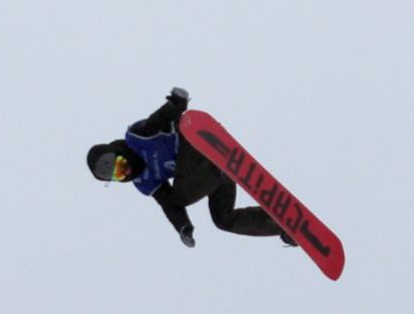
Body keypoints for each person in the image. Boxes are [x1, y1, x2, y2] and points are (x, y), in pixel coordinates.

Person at [86, 88, 293, 248]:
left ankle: (217, 166)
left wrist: (176, 103)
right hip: (206, 176)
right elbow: (168, 204)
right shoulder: (144, 181)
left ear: (120, 153)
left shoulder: (137, 137)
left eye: (121, 165)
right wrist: (183, 227)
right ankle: (283, 227)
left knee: (182, 195)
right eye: (118, 175)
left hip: (194, 145)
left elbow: (156, 120)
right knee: (222, 219)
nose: (126, 171)